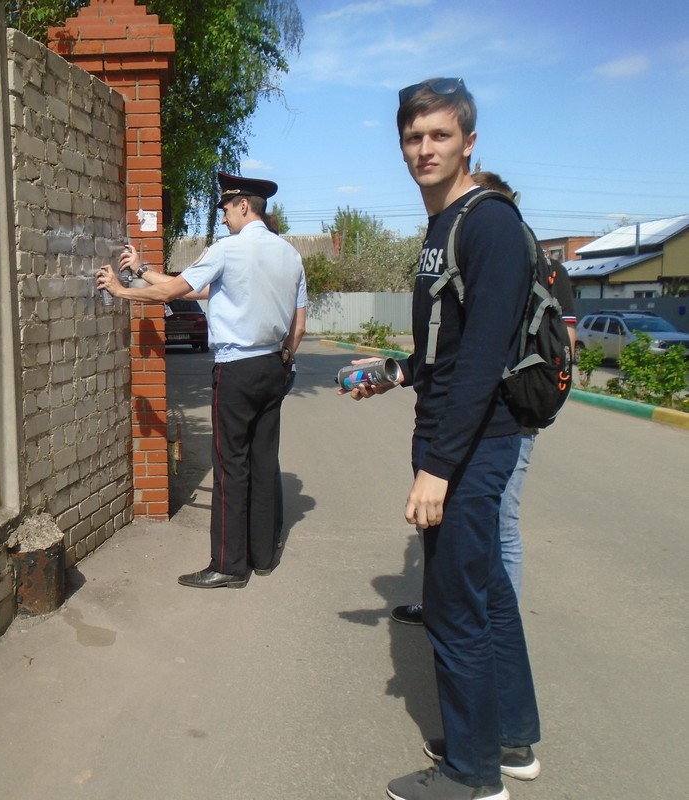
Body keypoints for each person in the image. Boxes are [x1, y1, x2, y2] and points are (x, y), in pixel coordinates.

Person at [347, 78, 541, 800]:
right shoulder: (442, 227)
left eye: (438, 135)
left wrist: (436, 467)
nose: (423, 149)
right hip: (459, 436)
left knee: (454, 607)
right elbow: (445, 352)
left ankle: (471, 773)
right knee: (486, 593)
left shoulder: (485, 224)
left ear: (467, 140)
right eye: (412, 137)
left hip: (472, 442)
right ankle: (507, 739)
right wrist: (396, 372)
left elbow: (484, 358)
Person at [97, 172, 306, 589]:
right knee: (264, 462)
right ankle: (262, 556)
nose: (224, 217)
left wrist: (121, 291)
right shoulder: (289, 255)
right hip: (274, 366)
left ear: (243, 205)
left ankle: (229, 566)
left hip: (237, 370)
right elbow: (295, 324)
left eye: (227, 208)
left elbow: (168, 295)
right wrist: (143, 270)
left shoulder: (228, 249)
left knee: (230, 466)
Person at [391, 170, 577, 623]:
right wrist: (400, 371)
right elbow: (449, 349)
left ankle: (498, 618)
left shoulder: (538, 263)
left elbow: (557, 348)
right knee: (465, 523)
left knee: (500, 523)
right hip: (477, 405)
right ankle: (455, 607)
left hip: (511, 406)